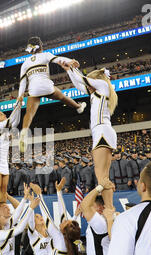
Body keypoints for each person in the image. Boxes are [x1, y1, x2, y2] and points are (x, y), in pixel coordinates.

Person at [60, 60, 118, 211]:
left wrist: (73, 68)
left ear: (96, 80)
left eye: (92, 81)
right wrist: (69, 71)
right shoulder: (96, 92)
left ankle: (109, 210)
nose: (88, 86)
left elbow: (84, 80)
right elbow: (80, 85)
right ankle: (109, 209)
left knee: (101, 177)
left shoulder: (103, 86)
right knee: (104, 177)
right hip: (104, 131)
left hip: (101, 132)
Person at [18, 36, 86, 153]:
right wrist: (69, 61)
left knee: (29, 113)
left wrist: (20, 96)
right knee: (63, 97)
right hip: (47, 87)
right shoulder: (45, 55)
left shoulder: (24, 63)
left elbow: (23, 81)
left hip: (33, 89)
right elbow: (58, 59)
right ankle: (78, 107)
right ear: (41, 46)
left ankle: (24, 133)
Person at [30, 179, 88, 255]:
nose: (64, 220)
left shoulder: (59, 238)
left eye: (65, 222)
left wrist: (39, 194)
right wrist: (59, 192)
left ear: (63, 230)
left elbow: (47, 217)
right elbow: (64, 216)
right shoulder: (67, 239)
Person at [75, 177, 116, 255]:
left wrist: (100, 186)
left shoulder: (100, 223)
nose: (89, 210)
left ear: (99, 208)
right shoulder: (107, 219)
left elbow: (84, 204)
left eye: (93, 206)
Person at [0, 99, 22, 210]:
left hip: (3, 161)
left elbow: (16, 121)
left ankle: (2, 211)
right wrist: (16, 105)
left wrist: (19, 106)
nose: (5, 115)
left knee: (4, 189)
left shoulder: (6, 129)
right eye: (2, 114)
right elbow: (11, 120)